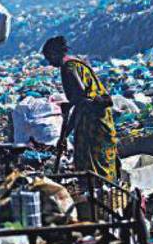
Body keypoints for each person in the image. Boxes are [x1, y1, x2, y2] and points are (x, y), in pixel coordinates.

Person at [42, 34, 118, 213]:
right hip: (100, 119)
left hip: (92, 123)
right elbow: (80, 100)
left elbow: (81, 98)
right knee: (101, 162)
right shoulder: (79, 64)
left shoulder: (68, 68)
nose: (49, 62)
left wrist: (68, 114)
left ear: (55, 53)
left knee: (90, 164)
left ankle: (99, 206)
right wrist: (65, 131)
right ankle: (103, 199)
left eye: (49, 57)